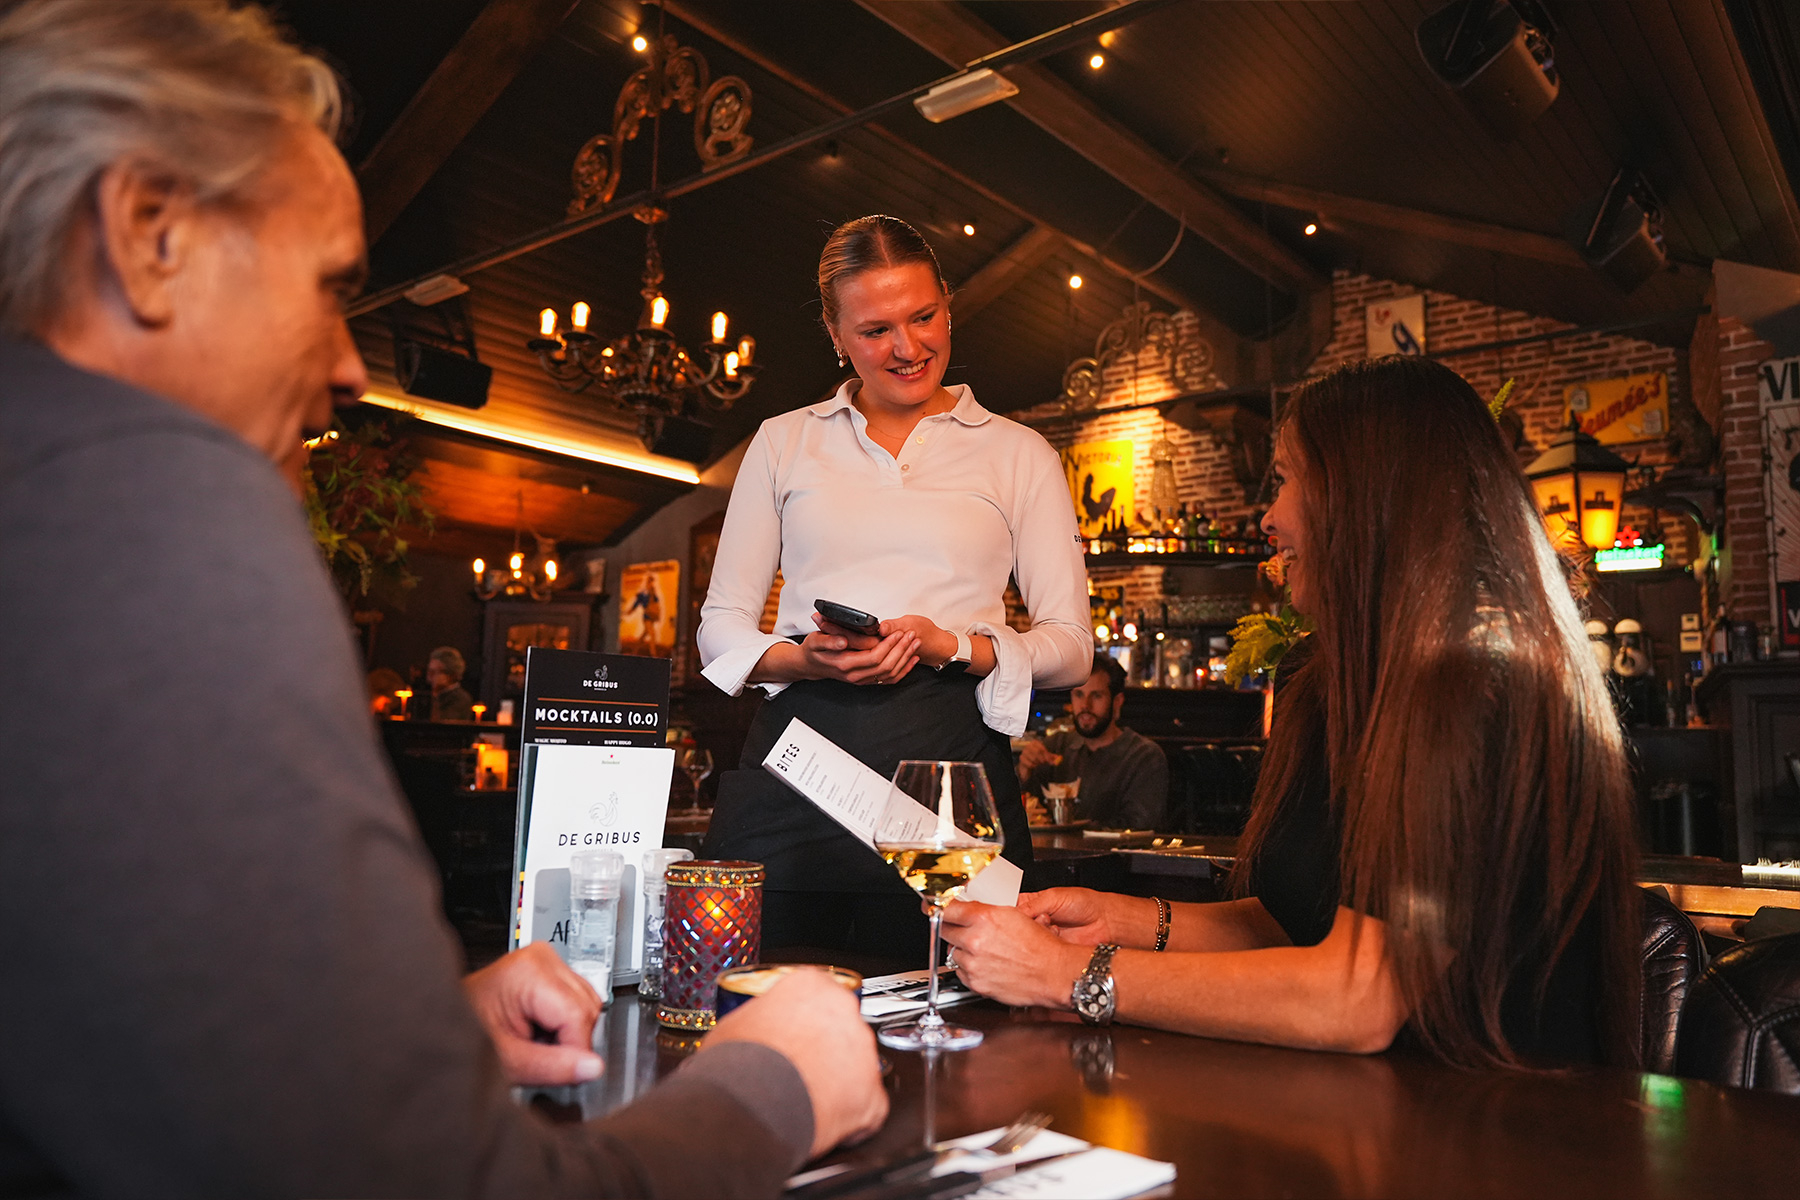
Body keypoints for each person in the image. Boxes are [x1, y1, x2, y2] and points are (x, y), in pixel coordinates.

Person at [0, 3, 885, 1196]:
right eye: (326, 287)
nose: (351, 364)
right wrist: (770, 1087)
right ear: (149, 233)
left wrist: (385, 1042)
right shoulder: (150, 495)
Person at [940, 356, 1641, 1069]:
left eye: (1287, 478)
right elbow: (1288, 925)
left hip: (1502, 1131)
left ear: (1369, 496)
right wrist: (1119, 920)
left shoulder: (1482, 681)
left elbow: (1358, 995)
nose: (1269, 516)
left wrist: (1068, 977)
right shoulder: (1337, 682)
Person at [697, 215, 1092, 962]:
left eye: (924, 317)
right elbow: (721, 625)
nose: (908, 349)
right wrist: (804, 660)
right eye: (876, 329)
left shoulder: (1020, 454)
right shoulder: (784, 440)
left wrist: (955, 645)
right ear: (835, 333)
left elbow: (1072, 649)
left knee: (955, 1039)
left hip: (947, 783)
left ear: (948, 302)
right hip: (799, 768)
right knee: (759, 1015)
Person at [1017, 655, 1168, 829]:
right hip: (1051, 854)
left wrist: (1074, 829)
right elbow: (1016, 809)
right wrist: (1023, 773)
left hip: (1112, 855)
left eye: (1096, 696)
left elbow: (1139, 825)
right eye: (1079, 695)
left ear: (1117, 702)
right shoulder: (1056, 746)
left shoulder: (1143, 756)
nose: (1085, 706)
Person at [426, 645, 475, 721]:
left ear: (451, 675)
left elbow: (442, 725)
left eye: (435, 672)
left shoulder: (460, 698)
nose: (429, 676)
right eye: (429, 671)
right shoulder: (426, 694)